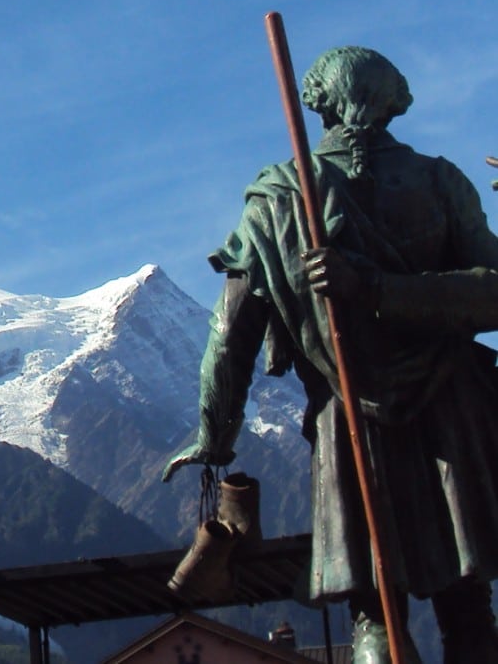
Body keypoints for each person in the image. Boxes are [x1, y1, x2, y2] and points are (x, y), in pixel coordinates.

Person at [162, 46, 498, 664]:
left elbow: (231, 333)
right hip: (453, 414)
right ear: (393, 103)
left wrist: (214, 436)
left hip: (349, 423)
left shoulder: (279, 198)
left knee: (374, 616)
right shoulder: (440, 182)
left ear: (319, 105)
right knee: (470, 611)